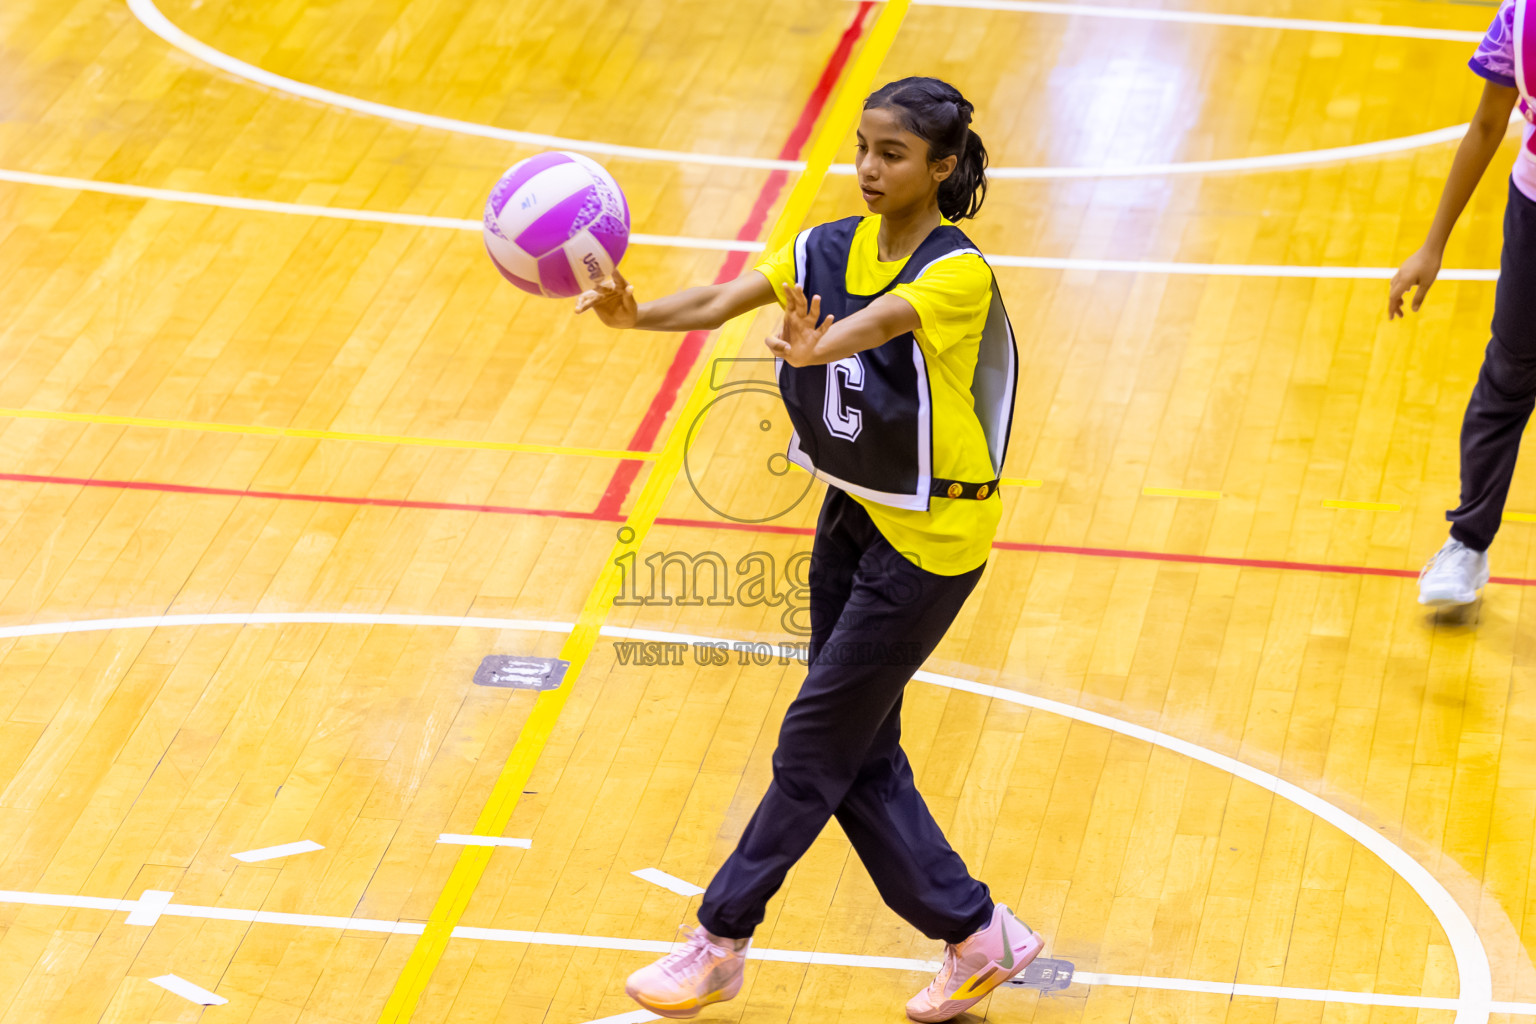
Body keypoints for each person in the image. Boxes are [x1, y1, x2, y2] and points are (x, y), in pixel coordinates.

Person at [576, 76, 1044, 1022]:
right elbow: (717, 299)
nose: (870, 169)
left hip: (933, 546)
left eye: (895, 155)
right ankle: (979, 935)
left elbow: (875, 324)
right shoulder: (824, 244)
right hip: (852, 516)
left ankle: (719, 940)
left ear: (943, 168)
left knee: (814, 743)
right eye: (864, 148)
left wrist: (815, 351)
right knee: (858, 752)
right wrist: (637, 316)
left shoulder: (956, 272)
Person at [1390, 0, 1533, 607]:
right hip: (1535, 212)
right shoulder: (1520, 21)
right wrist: (1432, 246)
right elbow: (1485, 124)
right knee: (1508, 375)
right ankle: (1467, 546)